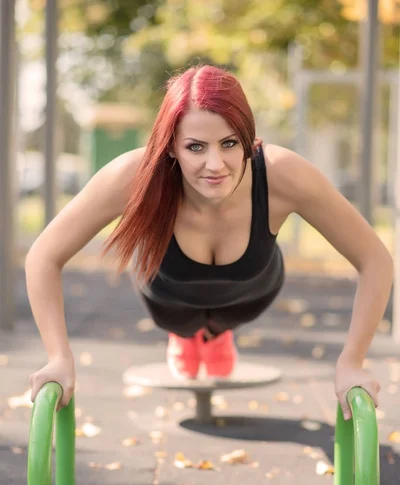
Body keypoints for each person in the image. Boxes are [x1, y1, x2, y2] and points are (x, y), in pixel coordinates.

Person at [26, 63, 393, 421]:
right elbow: (44, 255)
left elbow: (375, 258)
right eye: (196, 147)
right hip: (168, 298)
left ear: (248, 140)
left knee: (221, 322)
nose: (215, 164)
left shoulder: (284, 175)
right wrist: (59, 357)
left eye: (229, 143)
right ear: (171, 146)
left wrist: (351, 362)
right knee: (185, 324)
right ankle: (188, 337)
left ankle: (215, 336)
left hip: (250, 295)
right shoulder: (133, 176)